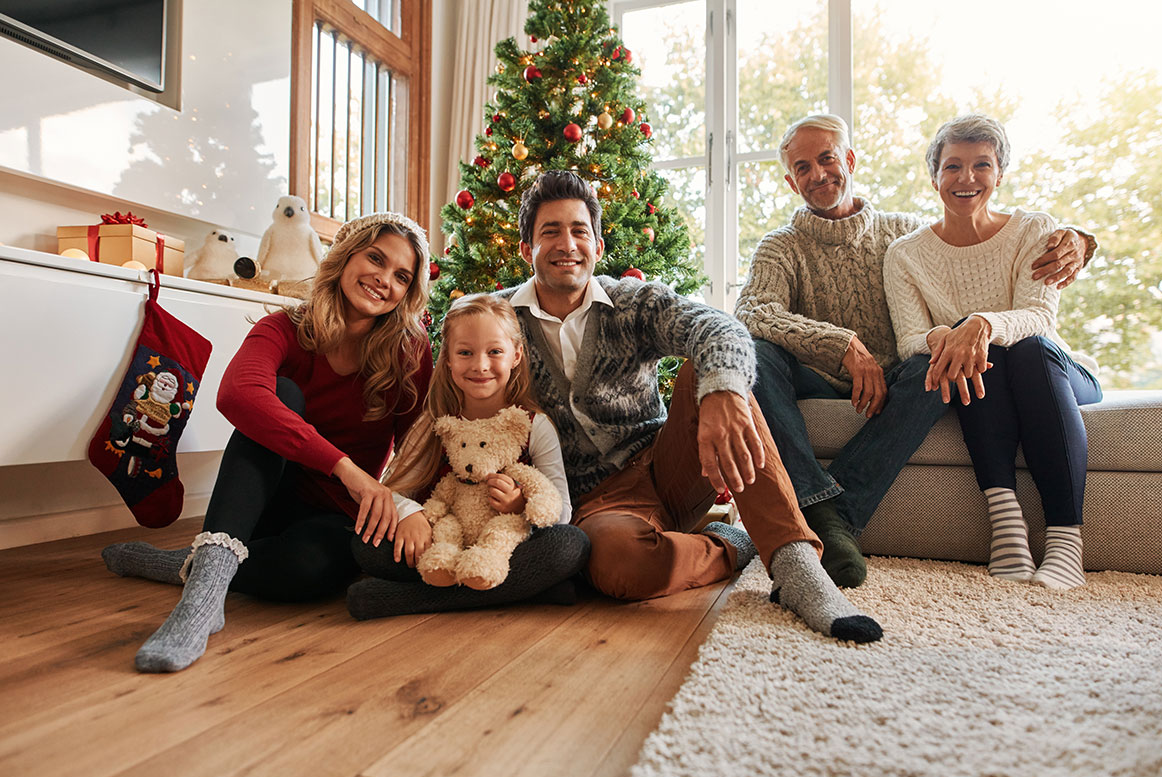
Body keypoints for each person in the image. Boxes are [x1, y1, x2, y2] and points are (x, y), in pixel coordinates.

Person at [499, 169, 883, 644]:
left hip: (672, 467)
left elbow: (719, 327)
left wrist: (723, 391)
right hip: (593, 506)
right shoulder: (495, 320)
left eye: (580, 231)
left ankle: (796, 567)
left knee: (713, 370)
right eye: (550, 232)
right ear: (525, 249)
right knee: (618, 564)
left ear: (598, 247)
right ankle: (727, 544)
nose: (567, 244)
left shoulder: (633, 302)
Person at [735, 113, 1095, 588]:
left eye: (826, 158)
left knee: (938, 361)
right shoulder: (779, 247)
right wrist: (842, 345)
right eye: (802, 167)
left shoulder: (902, 234)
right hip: (818, 374)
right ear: (790, 180)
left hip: (908, 379)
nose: (817, 174)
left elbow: (972, 232)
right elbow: (752, 312)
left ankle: (829, 517)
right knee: (755, 354)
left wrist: (1081, 240)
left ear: (850, 160)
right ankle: (825, 509)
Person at [102, 212, 435, 672]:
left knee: (310, 573)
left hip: (333, 515)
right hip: (259, 499)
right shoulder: (284, 328)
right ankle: (202, 602)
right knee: (280, 394)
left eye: (402, 276)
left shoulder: (410, 352)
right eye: (375, 259)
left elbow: (418, 445)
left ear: (409, 292)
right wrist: (346, 467)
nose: (384, 280)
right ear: (345, 257)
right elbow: (237, 393)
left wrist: (409, 509)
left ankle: (197, 564)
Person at [883, 113, 1102, 589]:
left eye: (981, 165)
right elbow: (910, 341)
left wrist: (978, 324)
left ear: (999, 174)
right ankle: (1008, 530)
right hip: (982, 374)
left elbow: (1038, 319)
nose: (966, 178)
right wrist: (955, 337)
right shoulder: (905, 254)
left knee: (1022, 350)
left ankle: (1066, 542)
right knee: (974, 359)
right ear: (935, 177)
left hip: (1053, 372)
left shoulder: (1035, 230)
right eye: (952, 166)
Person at [346, 293, 591, 618]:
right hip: (442, 542)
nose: (480, 365)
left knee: (571, 545)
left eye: (495, 352)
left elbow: (561, 511)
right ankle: (529, 589)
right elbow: (391, 491)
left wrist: (520, 505)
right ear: (447, 358)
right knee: (366, 545)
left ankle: (404, 599)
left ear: (516, 355)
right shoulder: (435, 422)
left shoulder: (534, 425)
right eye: (465, 352)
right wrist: (409, 515)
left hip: (504, 546)